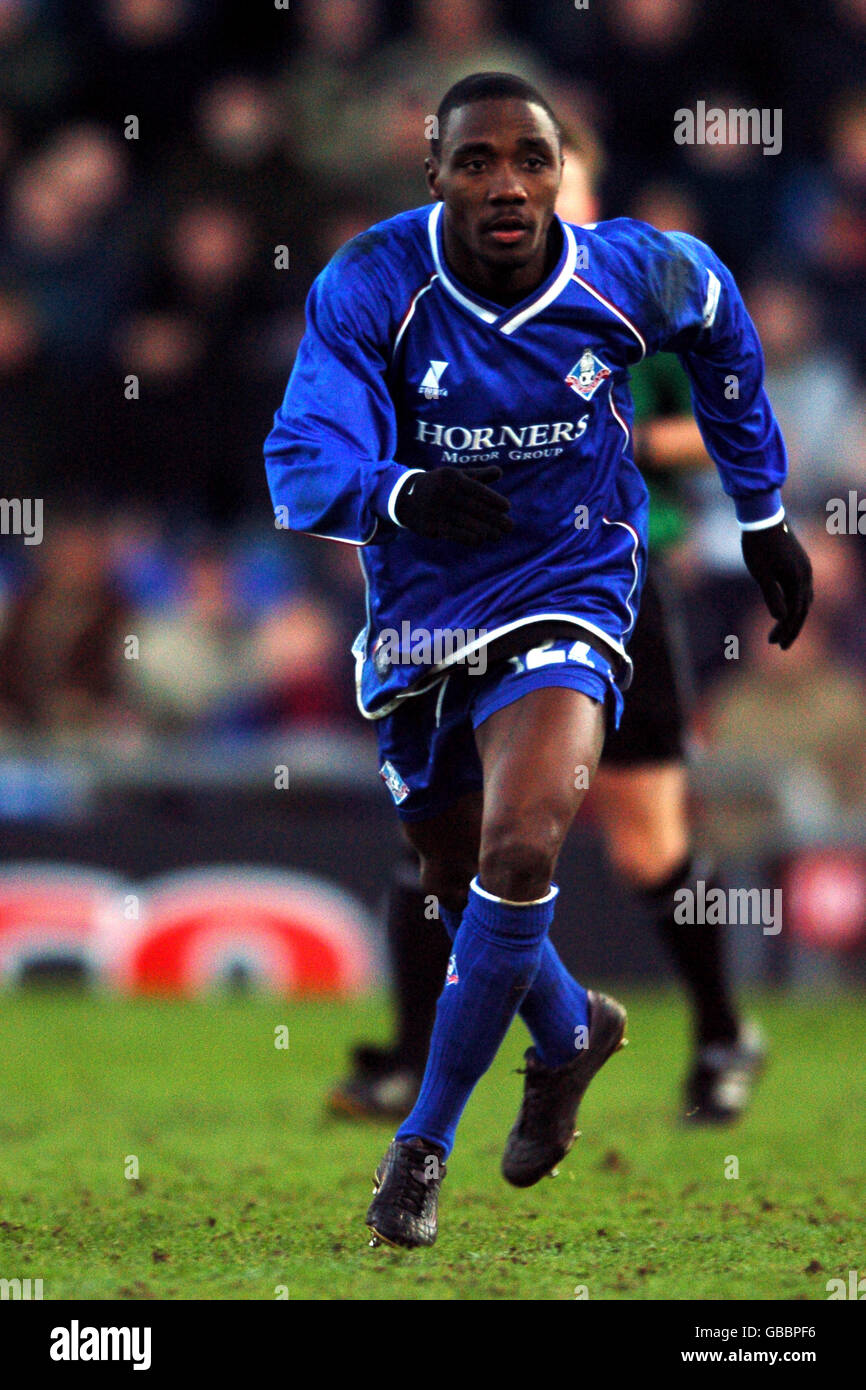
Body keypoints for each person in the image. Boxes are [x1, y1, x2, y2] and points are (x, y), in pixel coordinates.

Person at [264, 73, 813, 1250]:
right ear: (435, 177)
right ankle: (567, 1031)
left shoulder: (628, 273)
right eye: (476, 162)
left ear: (559, 171)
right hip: (421, 612)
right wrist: (399, 487)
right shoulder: (371, 283)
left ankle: (422, 1144)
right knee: (452, 874)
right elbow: (299, 459)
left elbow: (720, 327)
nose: (505, 184)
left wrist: (761, 514)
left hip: (573, 585)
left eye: (529, 159)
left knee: (524, 845)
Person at [327, 141, 772, 1132]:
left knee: (645, 840)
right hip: (469, 588)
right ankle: (410, 1056)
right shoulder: (429, 300)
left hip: (603, 580)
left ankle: (716, 1033)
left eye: (546, 175)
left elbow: (723, 410)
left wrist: (606, 422)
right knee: (446, 832)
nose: (514, 197)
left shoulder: (625, 296)